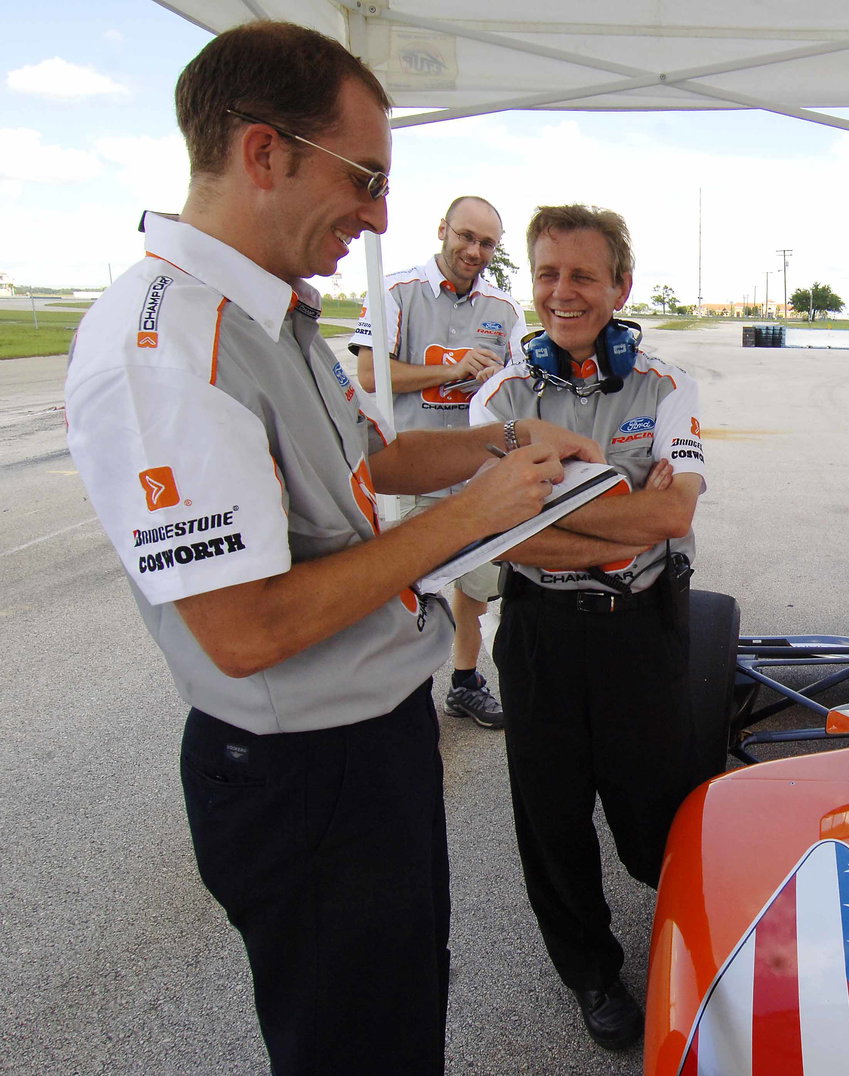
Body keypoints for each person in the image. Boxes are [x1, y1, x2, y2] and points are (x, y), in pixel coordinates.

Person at [61, 22, 595, 1074]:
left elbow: (373, 461)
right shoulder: (169, 345)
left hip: (371, 736)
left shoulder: (271, 312)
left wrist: (504, 440)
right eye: (365, 178)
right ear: (264, 153)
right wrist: (475, 511)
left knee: (397, 1007)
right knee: (357, 1042)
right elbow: (246, 629)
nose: (381, 215)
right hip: (306, 773)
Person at [468, 204, 706, 1051]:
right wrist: (620, 505)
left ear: (619, 287)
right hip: (540, 635)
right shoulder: (500, 396)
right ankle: (592, 973)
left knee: (661, 808)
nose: (562, 292)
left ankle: (688, 930)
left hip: (640, 630)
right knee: (551, 815)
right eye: (546, 274)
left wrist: (556, 511)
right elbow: (501, 532)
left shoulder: (667, 385)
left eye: (582, 275)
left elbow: (674, 519)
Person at [351, 195, 527, 729]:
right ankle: (402, 700)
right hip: (411, 464)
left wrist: (496, 381)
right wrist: (448, 372)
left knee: (476, 588)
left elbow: (517, 385)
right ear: (442, 230)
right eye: (466, 237)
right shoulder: (395, 291)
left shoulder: (505, 309)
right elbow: (368, 375)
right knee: (407, 587)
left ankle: (464, 682)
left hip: (476, 470)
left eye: (487, 243)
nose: (474, 250)